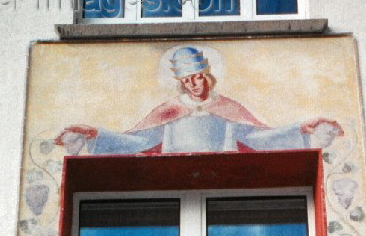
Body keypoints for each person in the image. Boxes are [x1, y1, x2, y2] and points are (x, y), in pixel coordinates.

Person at [55, 46, 344, 155]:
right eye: (188, 79)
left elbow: (259, 137)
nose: (195, 84)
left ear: (208, 76)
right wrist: (97, 135)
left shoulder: (228, 108)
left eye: (199, 76)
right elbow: (139, 142)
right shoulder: (169, 111)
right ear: (181, 82)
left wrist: (300, 128)